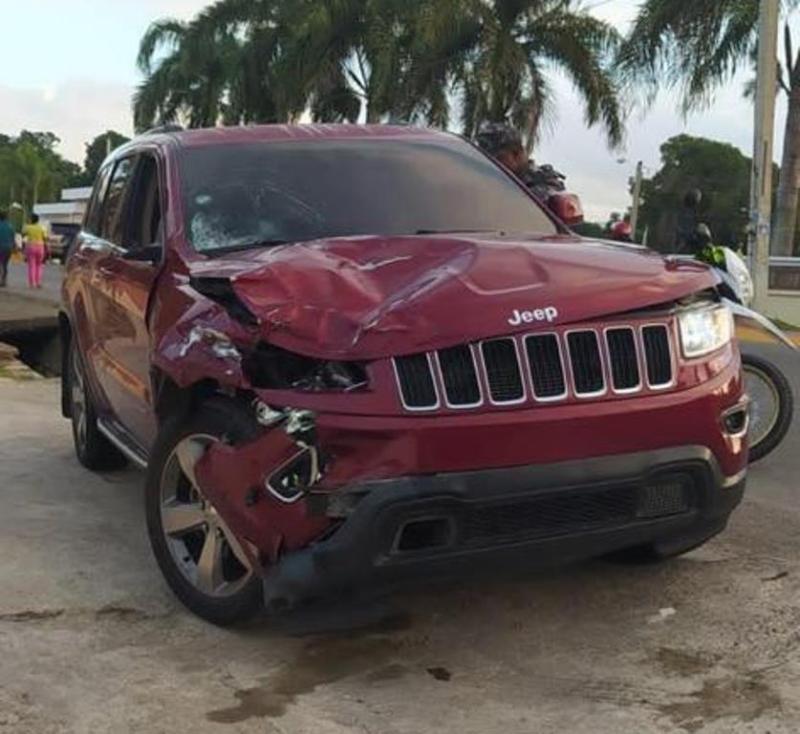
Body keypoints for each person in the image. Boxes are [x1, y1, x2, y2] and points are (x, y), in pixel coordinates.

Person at [475, 122, 566, 201]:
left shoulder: (545, 182)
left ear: (516, 154)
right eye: (487, 159)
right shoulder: (488, 180)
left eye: (498, 159)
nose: (491, 164)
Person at [22, 214, 48, 289]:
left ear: (31, 220)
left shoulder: (28, 227)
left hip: (31, 246)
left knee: (31, 265)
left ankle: (32, 283)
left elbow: (23, 233)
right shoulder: (41, 228)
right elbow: (45, 238)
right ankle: (38, 282)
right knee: (39, 265)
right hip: (40, 247)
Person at [0, 211, 15, 287]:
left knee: (1, 264)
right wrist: (14, 247)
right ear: (6, 218)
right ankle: (4, 281)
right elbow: (13, 238)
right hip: (8, 248)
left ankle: (2, 280)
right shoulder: (10, 226)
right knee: (5, 264)